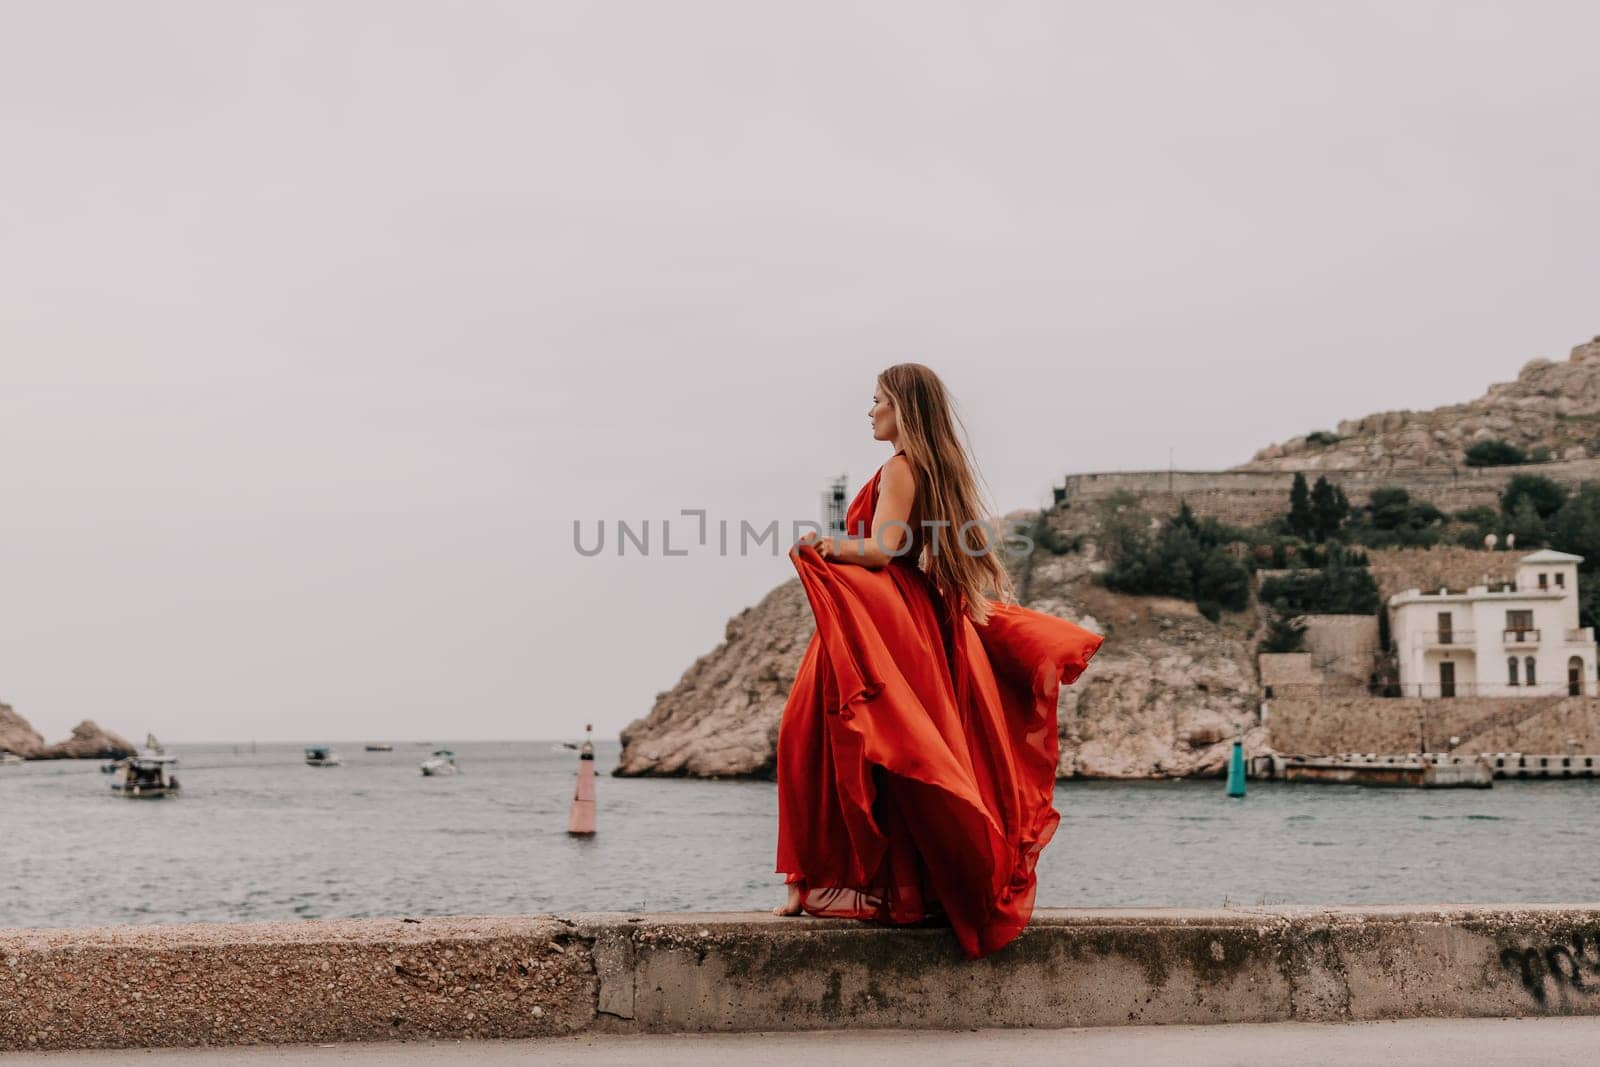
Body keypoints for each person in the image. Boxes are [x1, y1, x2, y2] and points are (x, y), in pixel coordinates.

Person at [773, 362, 1104, 961]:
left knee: (821, 738)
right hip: (897, 617)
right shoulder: (913, 467)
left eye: (877, 400)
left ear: (902, 407)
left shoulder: (901, 467)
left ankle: (814, 884)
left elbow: (883, 549)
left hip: (889, 617)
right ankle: (846, 884)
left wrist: (826, 544)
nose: (869, 410)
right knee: (864, 746)